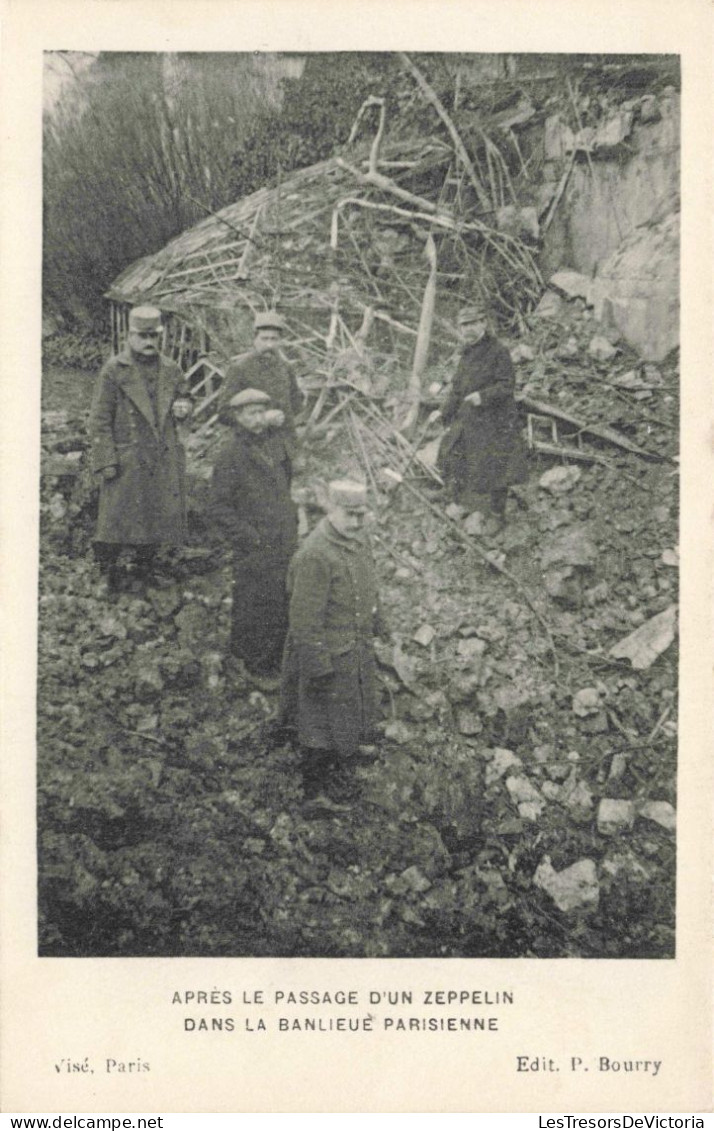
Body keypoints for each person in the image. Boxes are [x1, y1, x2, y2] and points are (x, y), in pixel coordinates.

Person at [278, 480, 385, 805]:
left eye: (361, 515)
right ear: (332, 510)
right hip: (324, 654)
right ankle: (315, 793)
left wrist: (380, 622)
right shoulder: (315, 554)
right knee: (317, 725)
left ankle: (348, 750)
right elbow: (304, 621)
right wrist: (317, 666)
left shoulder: (357, 540)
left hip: (354, 646)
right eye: (350, 515)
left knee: (353, 705)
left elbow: (369, 587)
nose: (357, 523)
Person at [89, 305, 191, 592]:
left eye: (153, 336)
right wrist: (105, 459)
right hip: (127, 456)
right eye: (142, 336)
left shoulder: (171, 369)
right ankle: (107, 573)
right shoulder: (114, 370)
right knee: (115, 519)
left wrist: (185, 407)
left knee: (154, 517)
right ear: (130, 335)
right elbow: (99, 419)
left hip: (160, 454)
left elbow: (184, 397)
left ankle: (145, 570)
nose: (149, 342)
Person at [209, 388, 298, 691]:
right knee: (253, 603)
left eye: (262, 412)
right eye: (251, 414)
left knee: (279, 602)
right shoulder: (230, 454)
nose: (258, 419)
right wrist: (249, 537)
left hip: (282, 540)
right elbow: (218, 507)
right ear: (237, 417)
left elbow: (286, 486)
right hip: (255, 546)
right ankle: (253, 664)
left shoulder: (274, 444)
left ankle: (271, 660)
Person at [437, 302, 527, 526]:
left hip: (496, 419)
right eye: (463, 325)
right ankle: (452, 494)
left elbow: (507, 385)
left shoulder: (498, 351)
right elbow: (457, 389)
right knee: (452, 448)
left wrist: (483, 396)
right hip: (472, 416)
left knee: (498, 467)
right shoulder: (466, 353)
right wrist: (442, 414)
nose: (467, 329)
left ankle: (497, 515)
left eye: (472, 324)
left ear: (483, 324)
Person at [218, 310, 303, 457]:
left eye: (274, 339)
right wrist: (261, 419)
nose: (269, 345)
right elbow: (224, 413)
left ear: (281, 341)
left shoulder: (286, 368)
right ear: (255, 340)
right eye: (264, 339)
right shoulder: (240, 368)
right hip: (252, 447)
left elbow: (296, 405)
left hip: (284, 448)